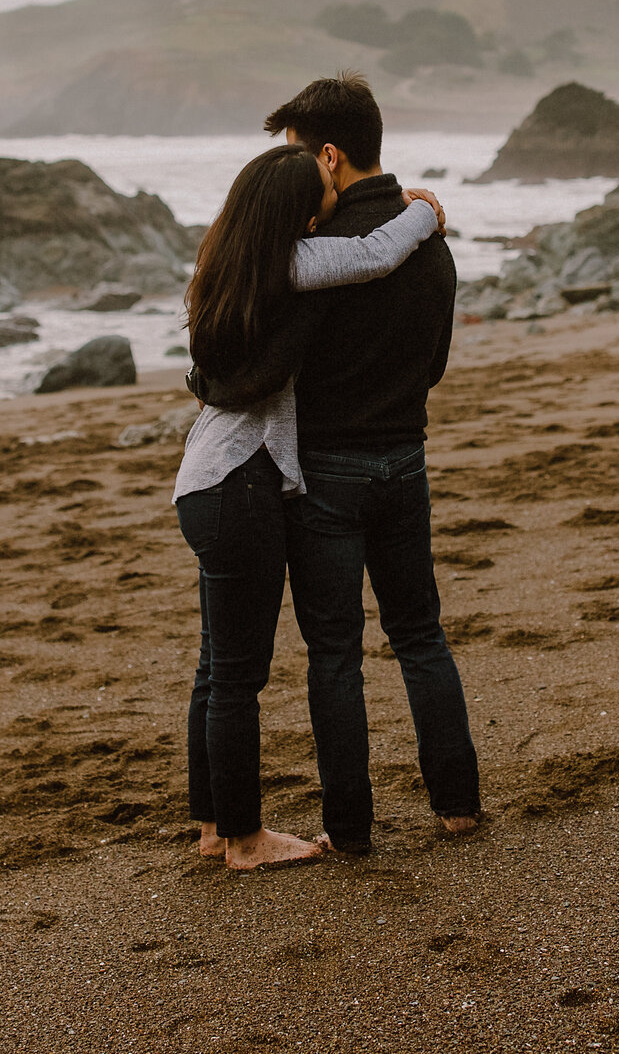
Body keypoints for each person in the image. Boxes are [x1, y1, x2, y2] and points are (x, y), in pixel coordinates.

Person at [173, 142, 447, 870]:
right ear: (296, 213)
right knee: (237, 674)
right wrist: (423, 211)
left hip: (204, 479)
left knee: (216, 665)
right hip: (242, 485)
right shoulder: (292, 264)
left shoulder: (225, 262)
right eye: (321, 196)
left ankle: (212, 826)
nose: (332, 200)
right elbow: (376, 255)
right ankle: (244, 840)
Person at [264, 72, 482, 854]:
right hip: (407, 455)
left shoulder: (318, 252)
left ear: (329, 156)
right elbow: (433, 364)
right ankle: (458, 805)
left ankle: (348, 829)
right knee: (421, 632)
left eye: (297, 158)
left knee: (335, 652)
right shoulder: (430, 238)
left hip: (327, 472)